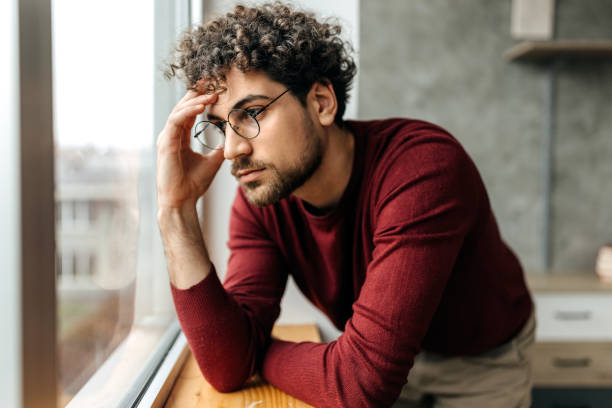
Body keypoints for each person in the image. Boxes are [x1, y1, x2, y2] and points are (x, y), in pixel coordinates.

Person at [156, 3, 535, 407]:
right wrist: (176, 212)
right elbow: (228, 367)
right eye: (218, 126)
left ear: (321, 102)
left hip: (480, 363)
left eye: (251, 113)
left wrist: (257, 353)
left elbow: (357, 386)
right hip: (379, 359)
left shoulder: (422, 168)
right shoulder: (264, 198)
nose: (233, 150)